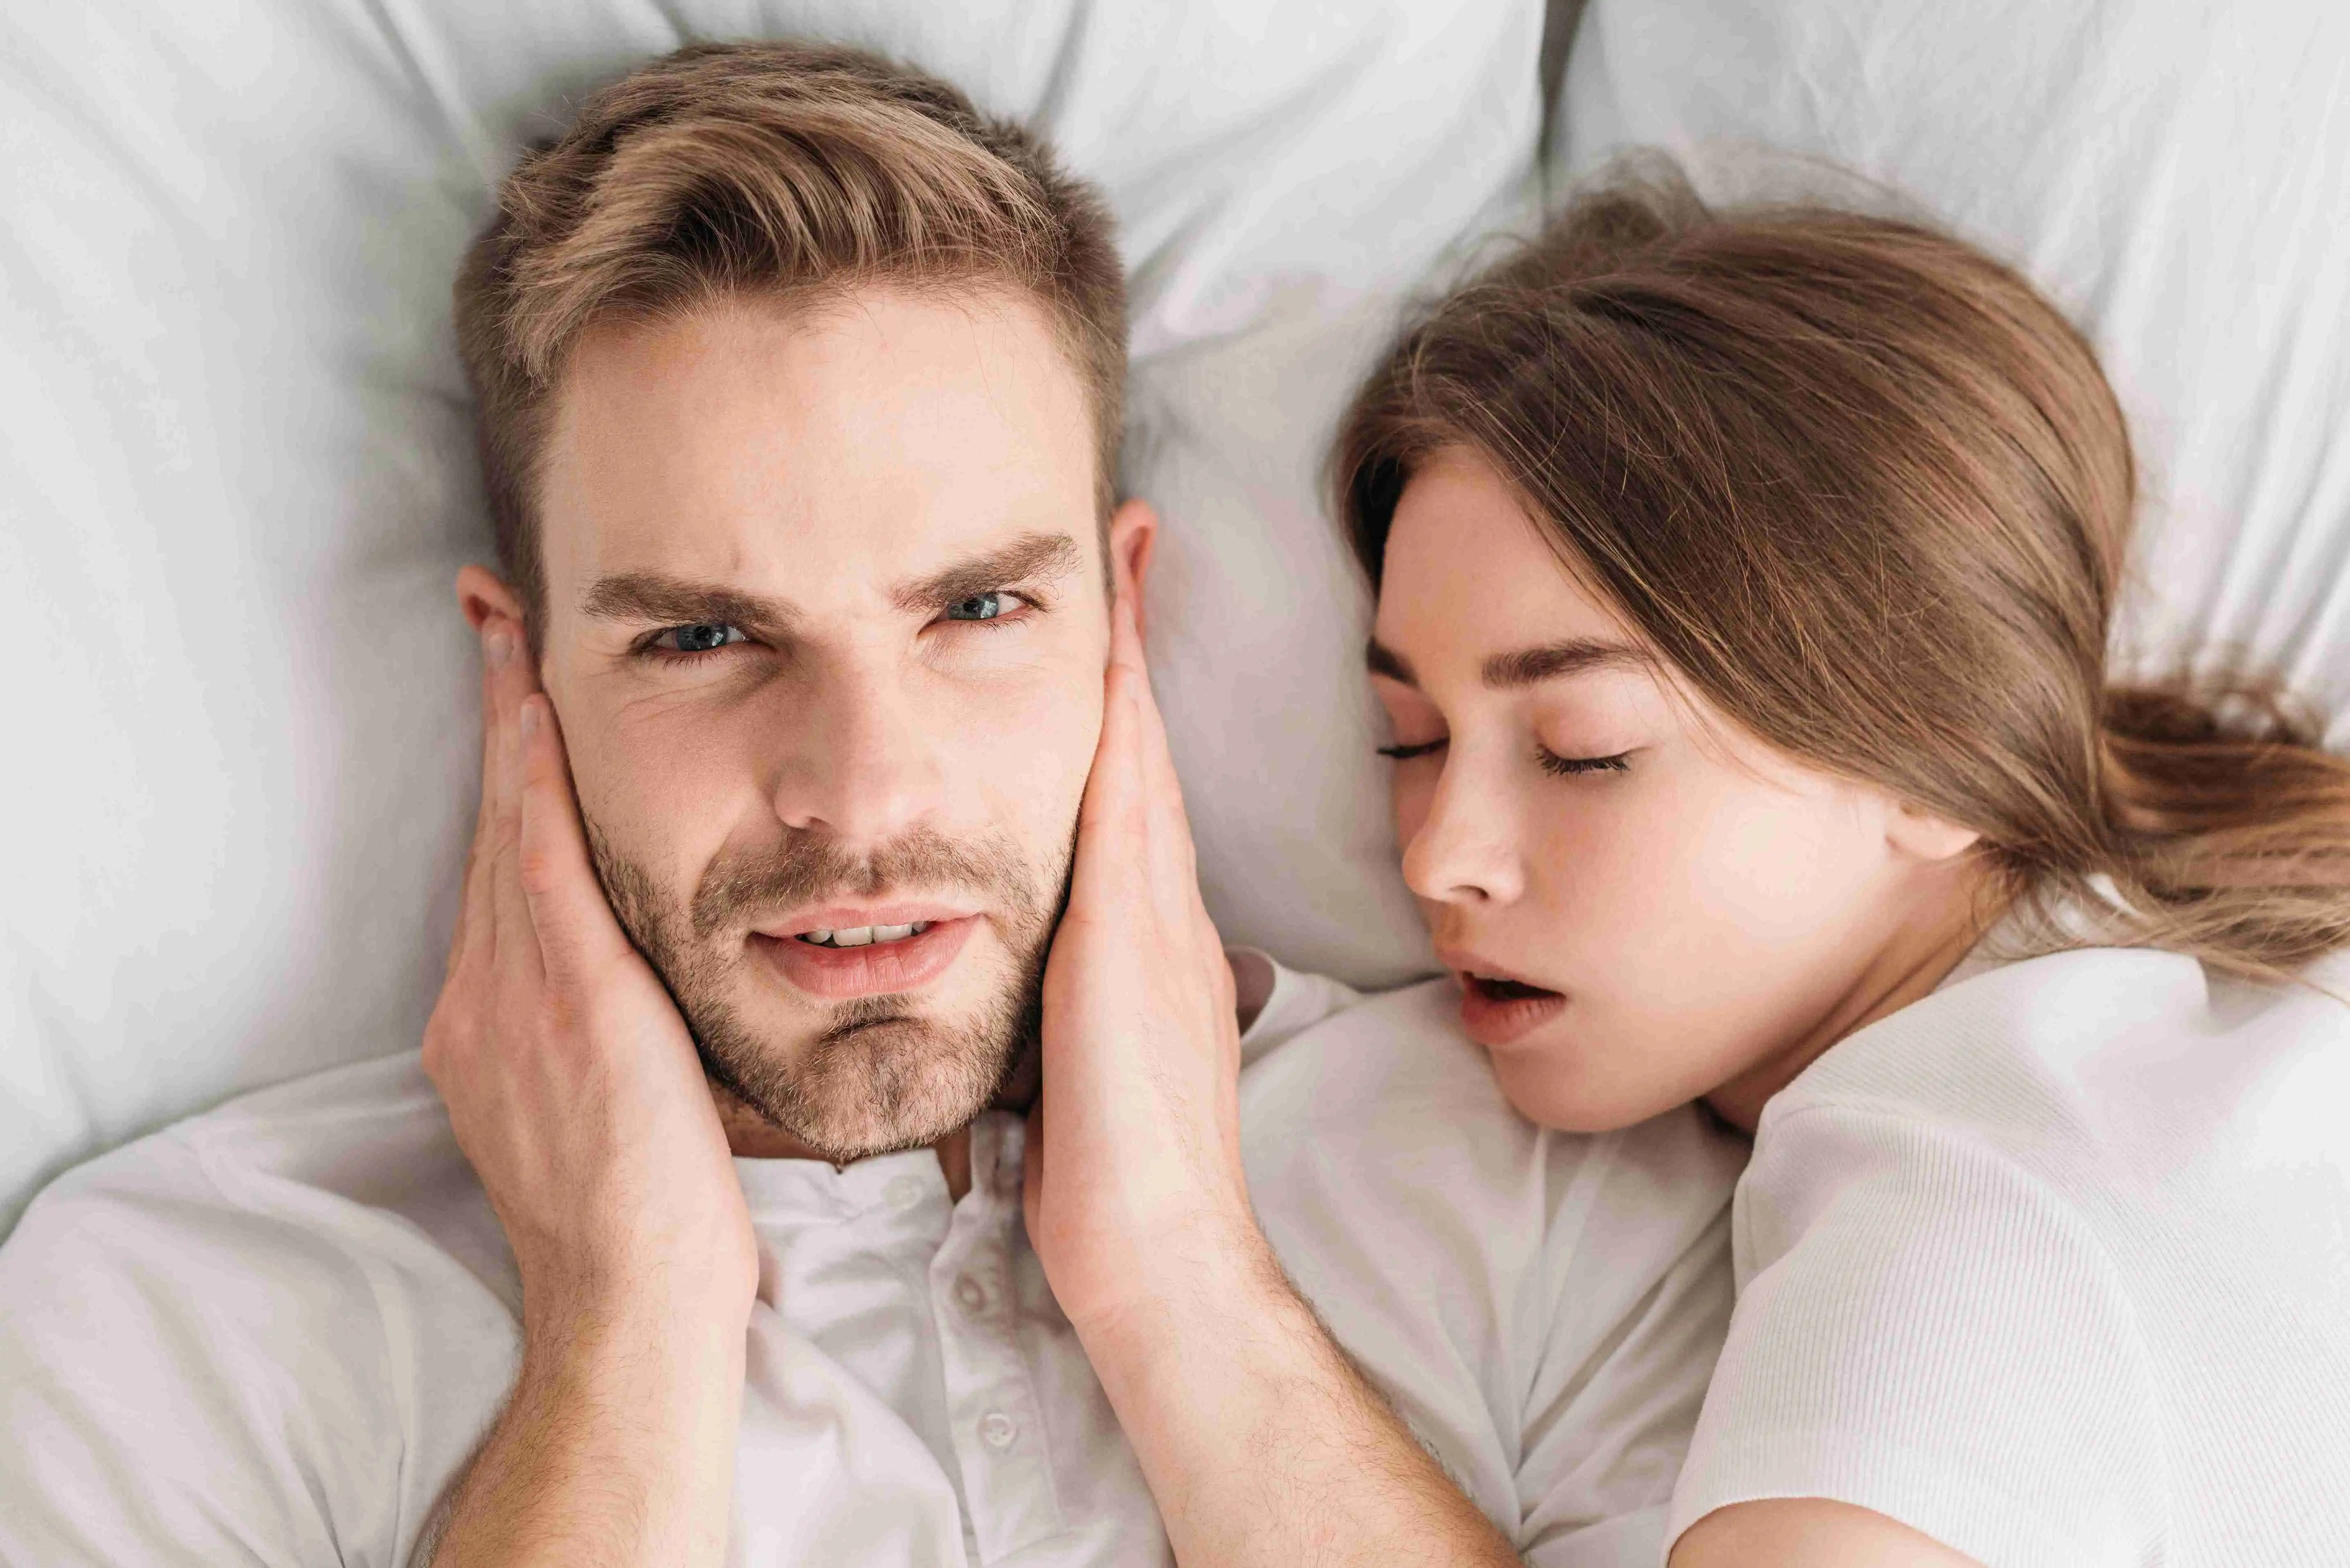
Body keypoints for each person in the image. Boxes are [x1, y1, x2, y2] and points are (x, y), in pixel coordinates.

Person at [0, 44, 1742, 1568]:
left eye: (977, 610)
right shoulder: (171, 1327)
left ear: (1120, 616)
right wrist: (623, 1334)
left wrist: (1185, 1284)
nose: (861, 792)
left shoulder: (1558, 1194)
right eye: (700, 636)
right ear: (519, 672)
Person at [1331, 166, 2350, 1568]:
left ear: (1934, 756)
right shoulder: (2242, 987)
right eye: (1409, 739)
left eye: (1581, 747)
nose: (1441, 853)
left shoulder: (1966, 1231)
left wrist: (1170, 1272)